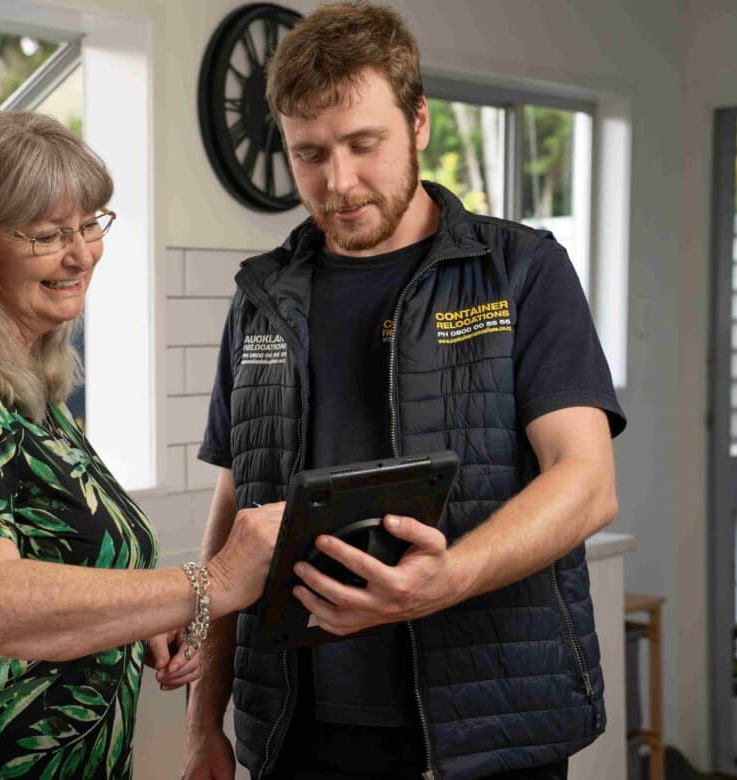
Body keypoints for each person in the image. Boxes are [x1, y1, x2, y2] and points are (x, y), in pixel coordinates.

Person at [183, 3, 626, 780]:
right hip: (298, 730)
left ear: (419, 122)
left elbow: (586, 485)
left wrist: (444, 578)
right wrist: (201, 725)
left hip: (486, 729)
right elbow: (234, 507)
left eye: (364, 144)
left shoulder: (520, 270)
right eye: (310, 154)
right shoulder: (261, 297)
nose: (339, 181)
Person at [0, 110, 283, 779]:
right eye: (47, 235)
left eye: (89, 223)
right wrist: (207, 584)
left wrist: (135, 617)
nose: (81, 254)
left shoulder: (24, 384)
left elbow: (44, 568)